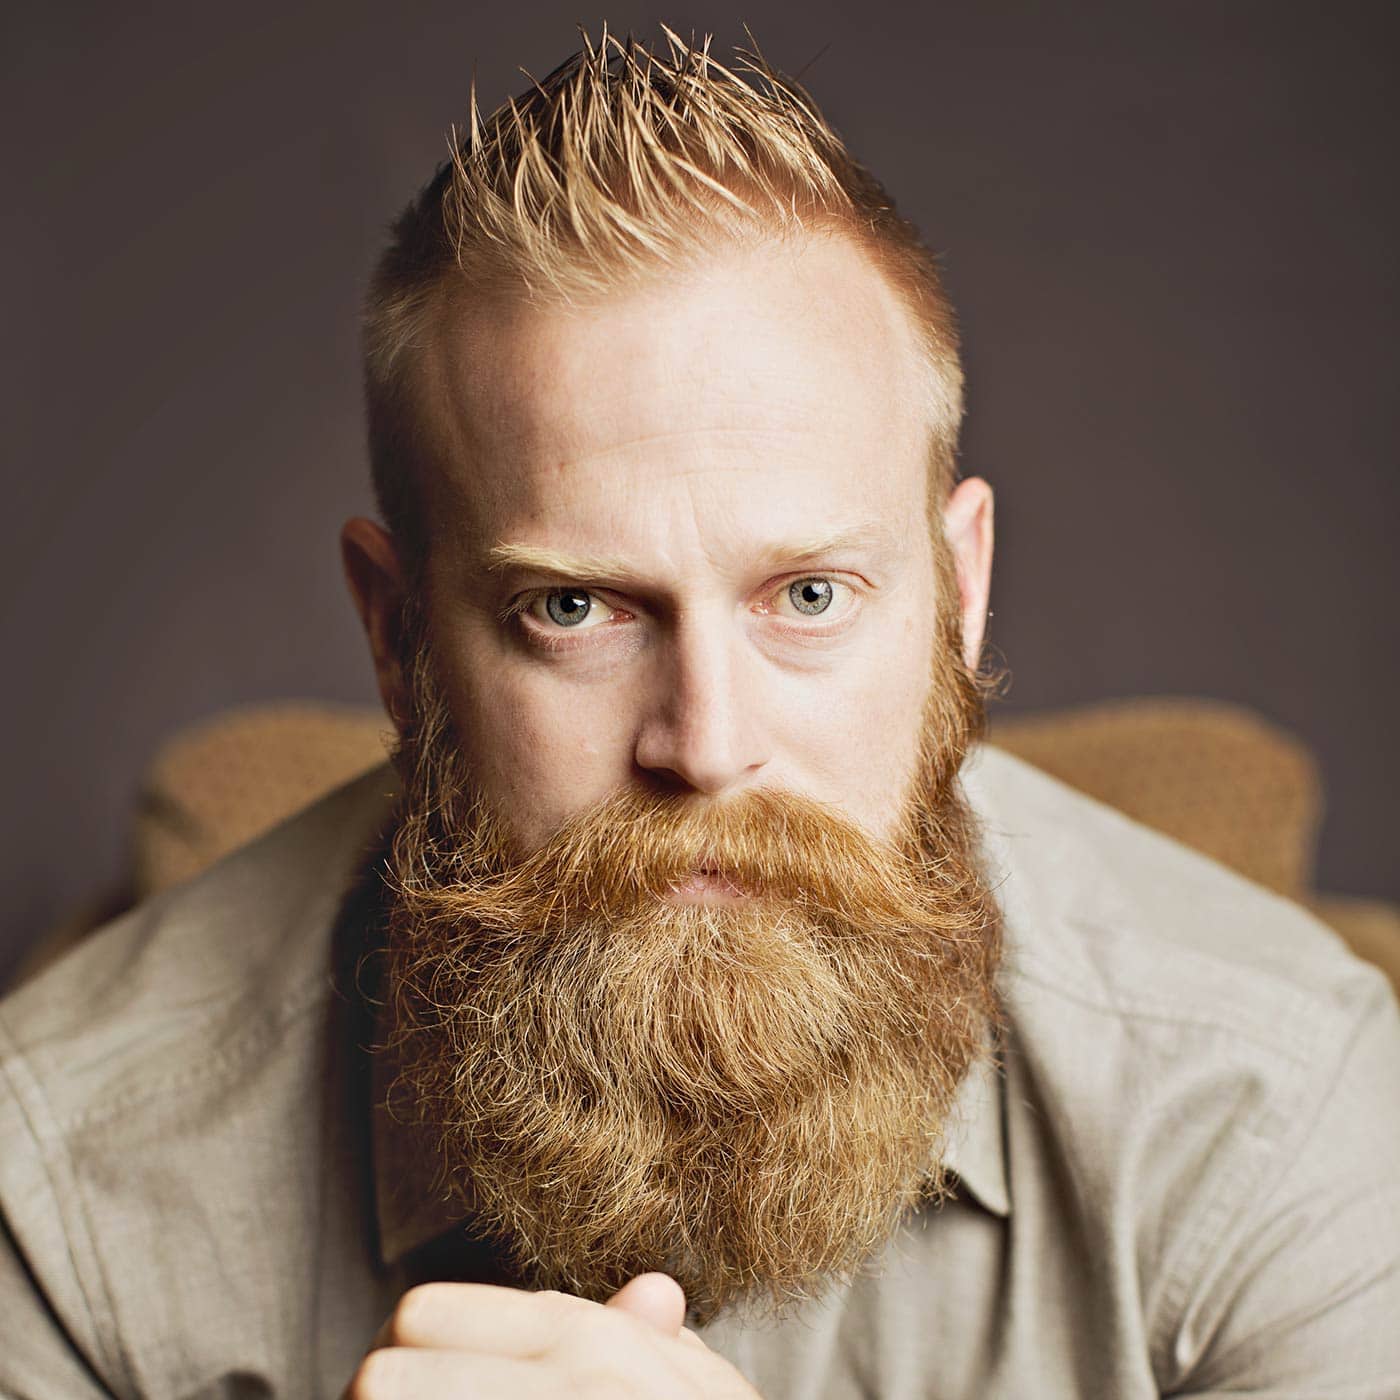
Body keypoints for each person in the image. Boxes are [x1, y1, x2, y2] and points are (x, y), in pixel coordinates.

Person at [1, 27, 1397, 1400]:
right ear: (398, 637)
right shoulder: (61, 1194)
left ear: (959, 593)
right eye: (573, 608)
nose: (709, 744)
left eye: (809, 596)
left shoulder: (1279, 1117)